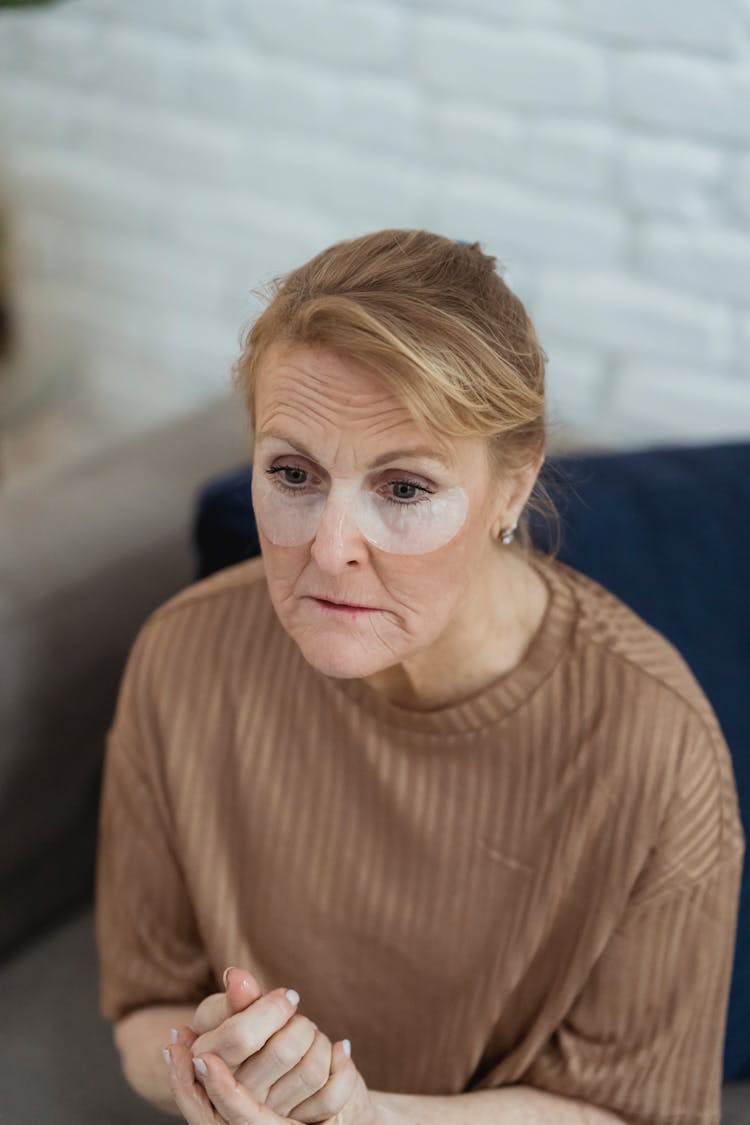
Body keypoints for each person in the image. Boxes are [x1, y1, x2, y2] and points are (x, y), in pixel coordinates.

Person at [95, 229, 745, 1125]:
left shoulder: (653, 745)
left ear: (512, 488)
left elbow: (639, 1113)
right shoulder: (184, 659)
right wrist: (214, 1063)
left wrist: (366, 1117)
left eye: (403, 489)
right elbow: (142, 1008)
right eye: (293, 473)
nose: (327, 549)